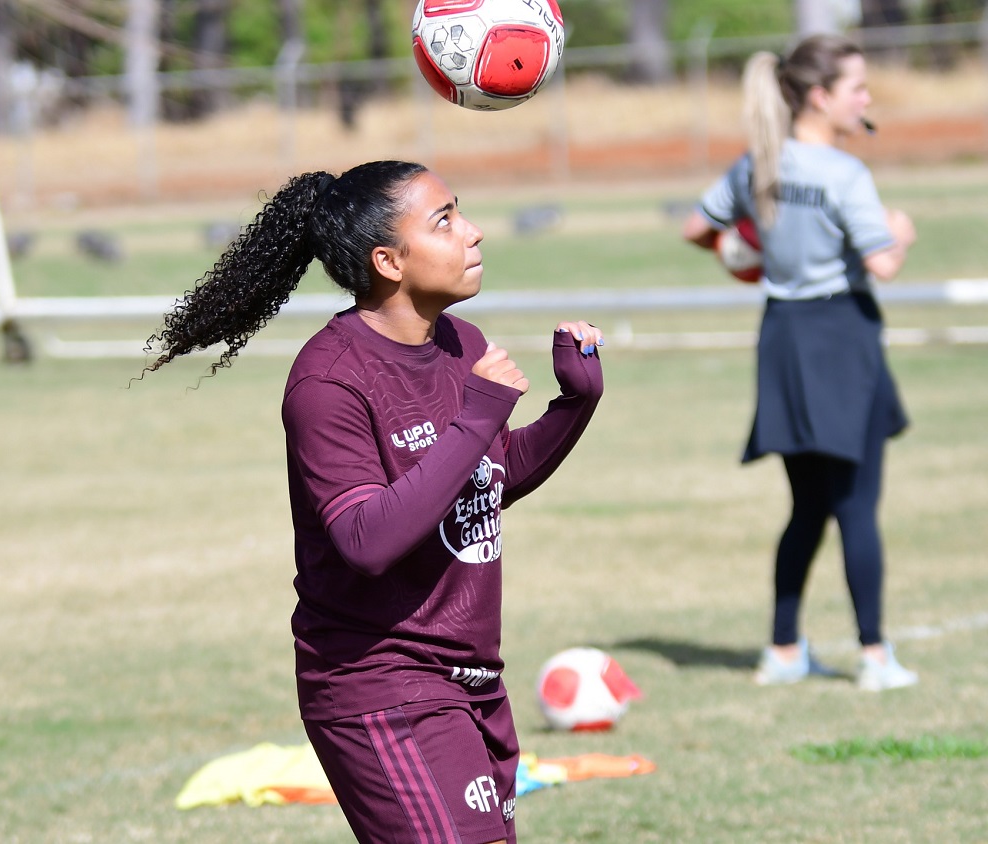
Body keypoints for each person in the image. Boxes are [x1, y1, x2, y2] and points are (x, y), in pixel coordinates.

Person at [146, 160, 605, 843]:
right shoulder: (328, 381)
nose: (473, 233)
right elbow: (367, 540)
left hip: (471, 677)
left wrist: (575, 404)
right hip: (379, 686)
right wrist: (479, 413)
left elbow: (485, 477)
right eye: (446, 220)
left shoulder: (460, 345)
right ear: (388, 260)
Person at [682, 35, 918, 692]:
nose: (867, 99)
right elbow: (883, 264)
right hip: (842, 337)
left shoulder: (757, 163)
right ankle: (875, 658)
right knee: (856, 505)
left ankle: (783, 651)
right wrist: (899, 232)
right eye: (858, 89)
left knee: (807, 507)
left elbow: (698, 231)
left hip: (782, 338)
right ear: (820, 96)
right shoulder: (845, 174)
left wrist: (746, 256)